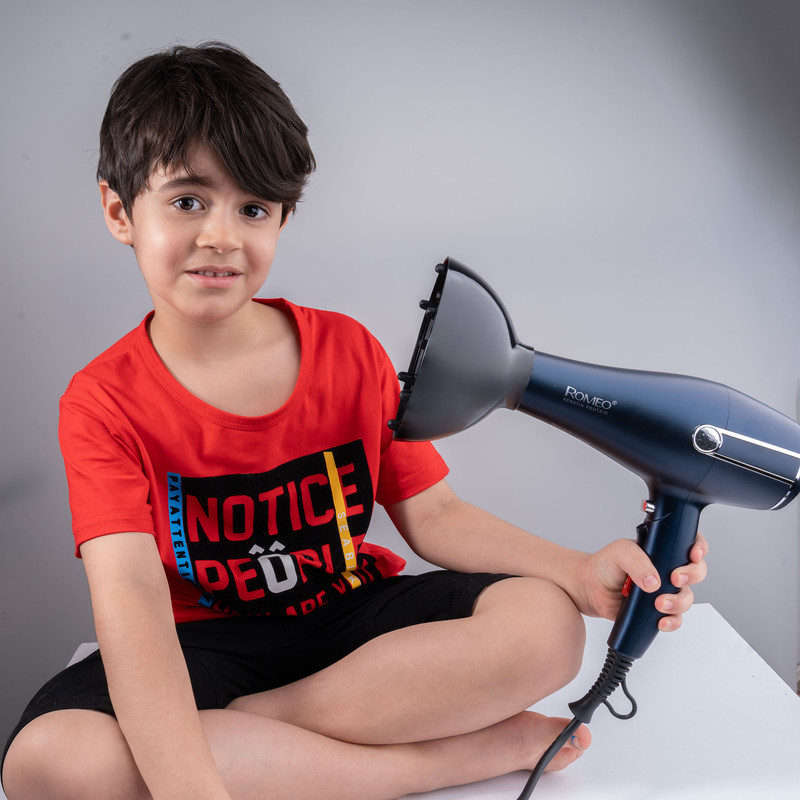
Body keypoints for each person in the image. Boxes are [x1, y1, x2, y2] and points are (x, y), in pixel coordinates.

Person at [1, 42, 707, 800]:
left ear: (283, 217)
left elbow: (434, 515)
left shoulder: (347, 350)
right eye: (187, 201)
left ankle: (259, 731)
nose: (221, 236)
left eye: (253, 208)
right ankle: (442, 761)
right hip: (199, 647)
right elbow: (133, 603)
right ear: (120, 211)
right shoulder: (102, 401)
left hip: (347, 626)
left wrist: (575, 572)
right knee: (48, 761)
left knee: (547, 626)